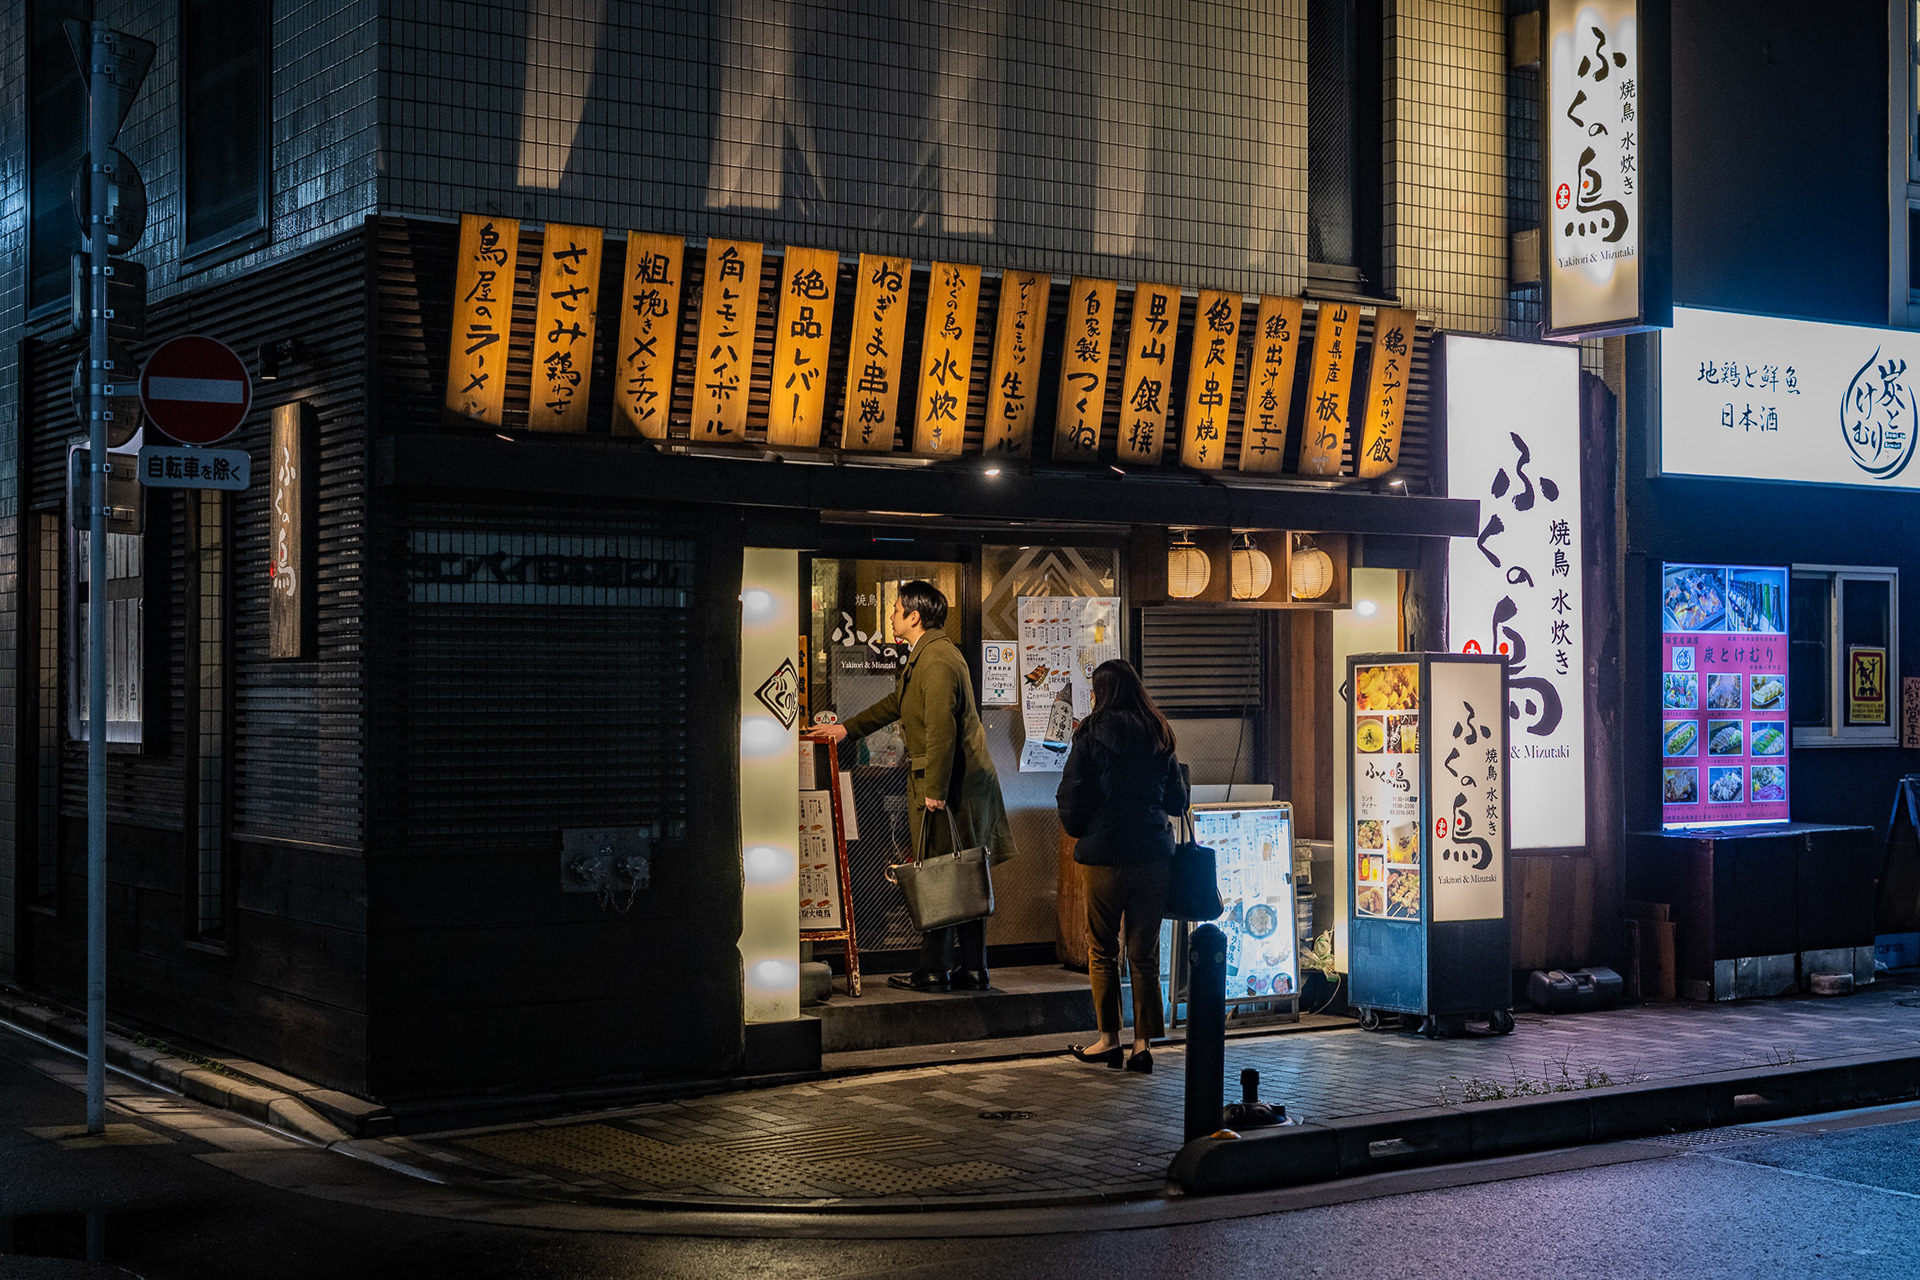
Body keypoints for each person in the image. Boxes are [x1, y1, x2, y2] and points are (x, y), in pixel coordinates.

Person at [819, 581, 1015, 993]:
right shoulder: (929, 656)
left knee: (941, 873)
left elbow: (942, 729)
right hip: (953, 783)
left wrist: (936, 790)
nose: (891, 616)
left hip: (950, 786)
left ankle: (933, 969)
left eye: (895, 609)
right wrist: (846, 729)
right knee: (959, 872)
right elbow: (897, 705)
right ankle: (971, 968)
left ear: (914, 616)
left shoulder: (937, 660)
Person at [1055, 658, 1186, 1074]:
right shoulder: (1159, 732)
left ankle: (1108, 1039)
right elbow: (1177, 802)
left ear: (1101, 693)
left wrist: (1081, 829)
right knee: (1144, 954)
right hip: (1152, 855)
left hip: (1106, 854)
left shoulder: (1091, 733)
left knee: (1102, 949)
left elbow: (1073, 793)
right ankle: (1143, 1044)